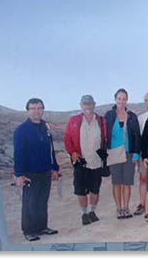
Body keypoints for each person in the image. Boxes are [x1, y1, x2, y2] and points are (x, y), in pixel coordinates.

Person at [13, 98, 59, 241]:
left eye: (39, 108)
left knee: (42, 200)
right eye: (33, 108)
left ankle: (42, 227)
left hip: (45, 171)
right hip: (29, 173)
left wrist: (55, 168)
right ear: (28, 110)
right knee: (29, 202)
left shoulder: (46, 127)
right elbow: (18, 153)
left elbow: (51, 149)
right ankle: (28, 231)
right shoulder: (21, 130)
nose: (36, 111)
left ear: (43, 110)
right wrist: (19, 174)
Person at [64, 95, 107, 225]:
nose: (87, 106)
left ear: (94, 104)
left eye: (89, 103)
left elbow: (105, 138)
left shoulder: (101, 121)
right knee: (81, 190)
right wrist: (72, 153)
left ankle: (92, 211)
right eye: (85, 104)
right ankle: (84, 213)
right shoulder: (74, 120)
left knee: (95, 189)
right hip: (81, 161)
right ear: (81, 106)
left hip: (96, 161)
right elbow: (67, 139)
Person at [105, 88, 141, 219]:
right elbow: (104, 134)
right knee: (116, 182)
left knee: (127, 182)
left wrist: (136, 154)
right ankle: (118, 208)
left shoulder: (132, 116)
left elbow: (137, 136)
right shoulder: (109, 115)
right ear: (115, 99)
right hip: (113, 153)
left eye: (124, 99)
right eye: (119, 98)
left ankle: (126, 208)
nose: (121, 101)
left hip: (128, 153)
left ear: (127, 100)